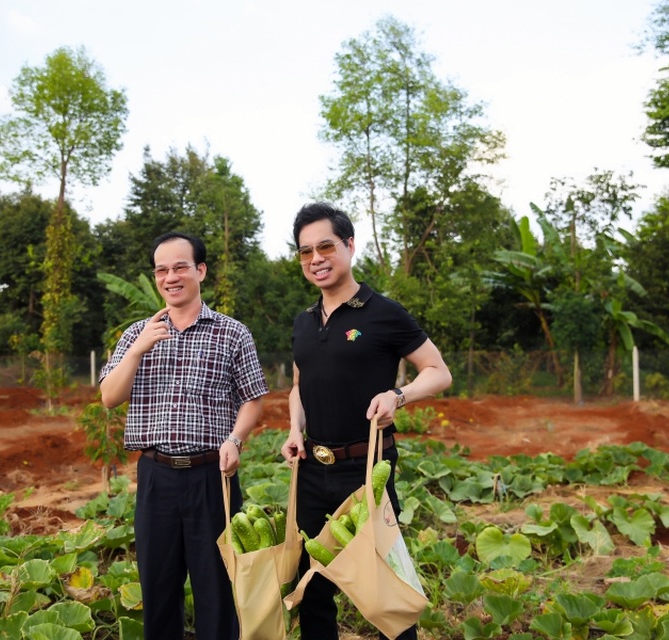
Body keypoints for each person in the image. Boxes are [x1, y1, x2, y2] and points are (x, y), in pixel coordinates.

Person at [281, 202, 453, 640]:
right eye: (305, 251)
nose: (316, 259)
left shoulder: (383, 312)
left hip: (367, 469)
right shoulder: (303, 322)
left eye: (325, 247)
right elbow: (299, 385)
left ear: (349, 245)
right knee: (313, 583)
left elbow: (438, 372)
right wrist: (295, 429)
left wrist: (398, 395)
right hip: (311, 469)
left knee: (385, 584)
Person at [100, 231, 269, 640]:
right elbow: (109, 396)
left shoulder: (232, 333)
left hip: (212, 476)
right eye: (162, 270)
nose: (170, 277)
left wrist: (235, 439)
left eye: (180, 267)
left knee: (217, 589)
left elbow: (253, 399)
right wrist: (138, 349)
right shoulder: (136, 334)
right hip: (156, 477)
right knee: (157, 587)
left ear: (200, 270)